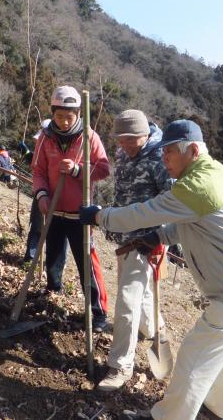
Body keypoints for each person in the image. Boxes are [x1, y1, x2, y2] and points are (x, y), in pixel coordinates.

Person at [79, 119, 223, 420]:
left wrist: (100, 216)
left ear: (193, 151)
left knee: (193, 359)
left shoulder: (198, 186)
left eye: (169, 152)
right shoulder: (213, 174)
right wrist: (158, 236)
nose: (163, 158)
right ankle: (214, 410)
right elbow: (195, 222)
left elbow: (146, 212)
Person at [96, 109, 171, 392]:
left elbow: (173, 200)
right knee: (141, 294)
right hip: (124, 237)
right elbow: (120, 191)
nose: (125, 146)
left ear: (144, 134)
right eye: (121, 140)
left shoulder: (160, 159)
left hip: (147, 241)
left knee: (127, 300)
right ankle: (154, 330)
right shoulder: (122, 154)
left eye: (131, 140)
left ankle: (120, 365)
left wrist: (160, 236)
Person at [32, 85, 110, 332]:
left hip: (81, 214)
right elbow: (38, 171)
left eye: (70, 116)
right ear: (52, 113)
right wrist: (41, 195)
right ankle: (53, 292)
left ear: (78, 114)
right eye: (59, 116)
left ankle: (98, 312)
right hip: (54, 210)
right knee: (53, 257)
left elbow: (104, 169)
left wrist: (78, 170)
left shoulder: (89, 137)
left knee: (87, 262)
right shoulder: (46, 137)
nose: (64, 122)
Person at [19, 119, 67, 281]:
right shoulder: (44, 147)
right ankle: (31, 257)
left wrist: (27, 154)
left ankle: (52, 266)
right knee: (37, 226)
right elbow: (36, 165)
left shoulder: (59, 149)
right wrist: (26, 153)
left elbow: (45, 167)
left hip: (58, 196)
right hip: (41, 194)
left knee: (55, 233)